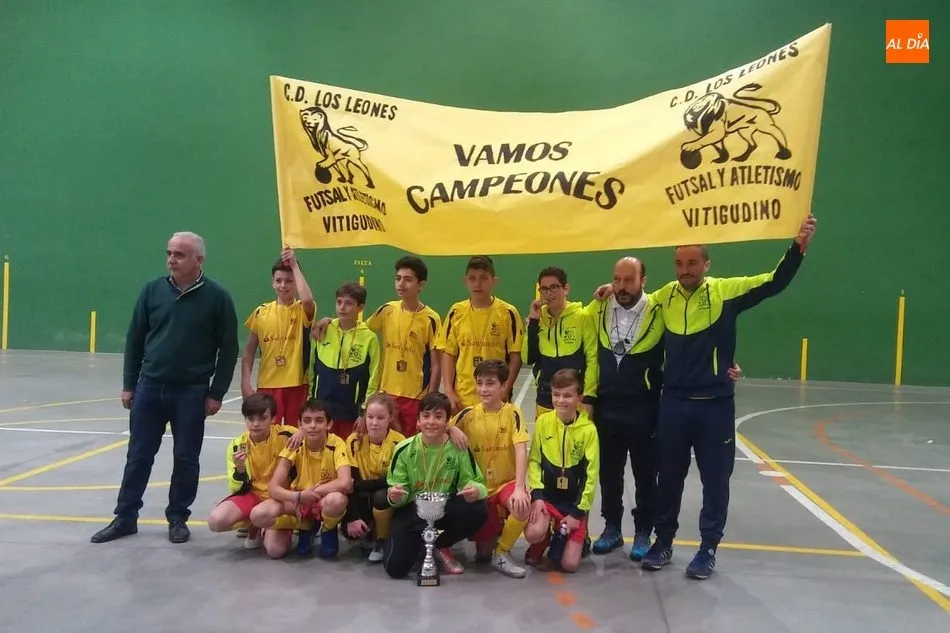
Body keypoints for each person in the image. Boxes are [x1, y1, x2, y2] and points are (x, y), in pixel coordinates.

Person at [597, 215, 817, 579]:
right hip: (673, 405)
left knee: (716, 480)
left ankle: (707, 548)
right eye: (680, 264)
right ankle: (663, 542)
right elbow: (631, 300)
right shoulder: (663, 298)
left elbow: (773, 282)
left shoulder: (726, 292)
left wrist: (797, 247)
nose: (685, 270)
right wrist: (609, 287)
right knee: (667, 479)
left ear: (706, 264)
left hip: (714, 406)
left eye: (692, 263)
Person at [91, 231, 238, 545]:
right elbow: (135, 340)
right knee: (139, 456)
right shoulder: (151, 291)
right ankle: (125, 517)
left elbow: (228, 349)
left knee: (186, 458)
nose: (172, 259)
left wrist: (216, 393)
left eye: (180, 254)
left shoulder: (218, 298)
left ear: (199, 260)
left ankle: (177, 518)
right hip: (150, 388)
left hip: (192, 392)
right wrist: (129, 384)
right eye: (170, 253)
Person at [584, 256, 666, 560]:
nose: (621, 286)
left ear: (643, 281)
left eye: (628, 280)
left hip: (645, 408)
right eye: (616, 279)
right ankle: (612, 528)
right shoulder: (603, 307)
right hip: (608, 407)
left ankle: (644, 530)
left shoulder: (659, 309)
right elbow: (579, 321)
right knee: (609, 473)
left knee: (646, 474)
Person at [312, 256, 441, 435]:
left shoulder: (432, 319)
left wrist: (430, 399)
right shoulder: (386, 310)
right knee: (384, 445)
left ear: (421, 285)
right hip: (386, 393)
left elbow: (436, 364)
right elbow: (358, 328)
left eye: (408, 279)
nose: (401, 284)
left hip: (415, 396)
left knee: (409, 445)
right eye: (398, 278)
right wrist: (329, 321)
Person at [382, 391, 489, 579]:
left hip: (444, 507)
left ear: (447, 422)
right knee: (395, 568)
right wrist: (394, 496)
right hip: (413, 509)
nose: (431, 421)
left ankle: (436, 544)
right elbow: (398, 490)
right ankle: (421, 545)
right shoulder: (404, 450)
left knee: (478, 508)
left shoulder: (458, 447)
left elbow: (476, 483)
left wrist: (475, 490)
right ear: (418, 420)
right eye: (426, 416)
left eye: (438, 416)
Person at [447, 360, 531, 578]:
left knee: (521, 505)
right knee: (482, 555)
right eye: (480, 383)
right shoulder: (468, 414)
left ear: (503, 386)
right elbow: (439, 425)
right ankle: (492, 543)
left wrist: (520, 487)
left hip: (505, 483)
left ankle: (502, 552)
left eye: (490, 383)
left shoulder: (513, 413)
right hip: (480, 488)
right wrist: (451, 429)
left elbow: (521, 450)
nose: (483, 389)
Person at [249, 398, 353, 559]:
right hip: (298, 502)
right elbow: (273, 487)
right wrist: (298, 497)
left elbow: (345, 482)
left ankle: (328, 528)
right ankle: (305, 526)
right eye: (307, 421)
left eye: (319, 421)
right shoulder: (294, 444)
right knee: (258, 515)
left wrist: (312, 494)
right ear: (300, 425)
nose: (312, 425)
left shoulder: (337, 443)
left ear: (329, 424)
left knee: (337, 499)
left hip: (322, 500)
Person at [523, 369, 599, 573]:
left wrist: (577, 513)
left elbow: (591, 476)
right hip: (548, 499)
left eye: (567, 395)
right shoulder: (543, 423)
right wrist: (537, 495)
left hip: (573, 502)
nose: (561, 401)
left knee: (570, 565)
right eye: (556, 395)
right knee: (533, 532)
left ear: (579, 398)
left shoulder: (589, 430)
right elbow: (535, 461)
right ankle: (543, 537)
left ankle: (569, 534)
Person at [206, 392, 299, 548]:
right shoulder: (237, 445)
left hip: (280, 498)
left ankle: (283, 524)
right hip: (253, 496)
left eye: (262, 418)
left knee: (275, 550)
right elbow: (236, 489)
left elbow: (312, 436)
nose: (256, 424)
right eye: (251, 419)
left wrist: (302, 432)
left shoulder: (287, 435)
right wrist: (240, 469)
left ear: (273, 419)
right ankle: (255, 524)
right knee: (216, 521)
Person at [240, 248, 316, 426]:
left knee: (293, 435)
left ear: (297, 283)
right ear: (272, 282)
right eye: (279, 281)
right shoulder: (260, 313)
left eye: (289, 281)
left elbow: (307, 300)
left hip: (297, 384)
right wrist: (245, 382)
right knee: (267, 434)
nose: (283, 285)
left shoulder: (301, 310)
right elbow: (249, 351)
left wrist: (295, 266)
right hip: (268, 384)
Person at [439, 255, 523, 412]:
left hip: (496, 398)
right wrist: (449, 391)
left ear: (494, 281)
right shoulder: (456, 312)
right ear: (466, 281)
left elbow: (515, 355)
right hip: (462, 399)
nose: (477, 284)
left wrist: (506, 388)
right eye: (472, 278)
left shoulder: (508, 313)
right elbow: (449, 353)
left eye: (483, 278)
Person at [523, 266, 598, 418]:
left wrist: (589, 397)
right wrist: (533, 323)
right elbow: (527, 358)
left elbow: (592, 358)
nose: (548, 293)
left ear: (566, 289)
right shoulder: (537, 318)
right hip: (545, 398)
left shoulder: (582, 317)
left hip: (575, 399)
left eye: (554, 288)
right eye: (544, 289)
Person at [309, 282, 381, 440]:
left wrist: (364, 413)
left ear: (360, 308)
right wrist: (310, 404)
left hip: (352, 414)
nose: (342, 307)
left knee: (348, 456)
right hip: (323, 412)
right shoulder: (323, 330)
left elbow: (374, 379)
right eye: (339, 302)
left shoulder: (369, 338)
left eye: (349, 303)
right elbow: (311, 370)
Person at [343, 392, 406, 563]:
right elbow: (350, 483)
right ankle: (366, 529)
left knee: (382, 495)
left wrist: (361, 484)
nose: (374, 423)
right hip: (361, 497)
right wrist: (353, 517)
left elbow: (393, 481)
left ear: (390, 418)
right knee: (349, 531)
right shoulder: (353, 441)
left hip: (386, 498)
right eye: (370, 417)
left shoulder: (399, 442)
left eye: (380, 417)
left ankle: (381, 540)